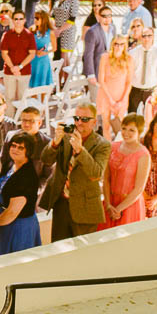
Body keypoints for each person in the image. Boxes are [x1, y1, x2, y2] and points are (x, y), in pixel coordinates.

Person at [40, 101, 110, 241]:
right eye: (76, 118)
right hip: (61, 204)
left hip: (85, 208)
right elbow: (46, 160)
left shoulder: (102, 145)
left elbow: (96, 174)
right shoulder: (66, 137)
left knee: (83, 253)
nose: (79, 123)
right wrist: (55, 142)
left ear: (94, 122)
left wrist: (80, 151)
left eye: (84, 119)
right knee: (59, 249)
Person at [0, 133, 43, 256]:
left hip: (19, 227)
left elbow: (13, 212)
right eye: (13, 145)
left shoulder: (27, 176)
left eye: (21, 147)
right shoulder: (9, 164)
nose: (15, 149)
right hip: (2, 221)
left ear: (28, 151)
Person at [99, 114, 151, 231]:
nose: (126, 133)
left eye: (131, 130)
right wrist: (108, 204)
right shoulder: (112, 147)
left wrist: (118, 209)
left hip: (129, 206)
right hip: (110, 203)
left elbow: (139, 189)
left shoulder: (143, 155)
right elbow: (106, 179)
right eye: (124, 128)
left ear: (139, 132)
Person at [0, 104, 53, 190]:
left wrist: (35, 190)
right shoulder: (10, 136)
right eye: (24, 120)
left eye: (31, 121)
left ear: (39, 123)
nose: (27, 124)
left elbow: (48, 175)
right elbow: (2, 162)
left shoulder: (47, 144)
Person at [97, 34, 134, 138]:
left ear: (125, 46)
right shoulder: (105, 57)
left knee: (119, 127)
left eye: (121, 44)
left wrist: (122, 100)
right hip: (106, 96)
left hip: (121, 98)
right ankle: (108, 151)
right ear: (112, 45)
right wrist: (111, 101)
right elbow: (101, 80)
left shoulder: (129, 59)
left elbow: (129, 82)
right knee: (106, 127)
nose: (118, 47)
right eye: (116, 44)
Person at [0, 9, 37, 103]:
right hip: (9, 71)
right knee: (9, 98)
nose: (18, 21)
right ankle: (10, 117)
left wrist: (19, 67)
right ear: (12, 20)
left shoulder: (30, 35)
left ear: (24, 20)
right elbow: (4, 53)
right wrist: (12, 68)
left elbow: (32, 54)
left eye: (21, 19)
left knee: (22, 98)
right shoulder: (7, 35)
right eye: (16, 19)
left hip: (24, 71)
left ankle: (21, 118)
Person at [128, 26, 157, 115]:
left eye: (149, 36)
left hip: (150, 89)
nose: (147, 38)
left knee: (150, 115)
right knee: (131, 114)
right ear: (141, 37)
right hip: (135, 89)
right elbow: (129, 71)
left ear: (153, 37)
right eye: (144, 36)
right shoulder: (133, 53)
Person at [49, 0, 81, 73]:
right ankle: (59, 82)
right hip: (56, 30)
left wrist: (60, 30)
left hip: (67, 31)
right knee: (58, 58)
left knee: (64, 57)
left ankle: (66, 83)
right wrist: (54, 29)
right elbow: (53, 15)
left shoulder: (74, 0)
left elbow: (72, 19)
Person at [83, 3, 114, 94]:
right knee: (97, 98)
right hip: (96, 69)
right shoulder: (92, 32)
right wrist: (91, 74)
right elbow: (88, 54)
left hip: (109, 69)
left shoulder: (113, 28)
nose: (107, 18)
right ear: (99, 17)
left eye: (109, 16)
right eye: (104, 16)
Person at [30, 9, 54, 89]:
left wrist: (45, 52)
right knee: (32, 87)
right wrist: (35, 51)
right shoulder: (31, 30)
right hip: (32, 60)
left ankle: (43, 102)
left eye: (37, 18)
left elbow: (54, 48)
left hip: (43, 62)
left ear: (43, 19)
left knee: (43, 87)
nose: (35, 20)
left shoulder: (50, 32)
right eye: (34, 17)